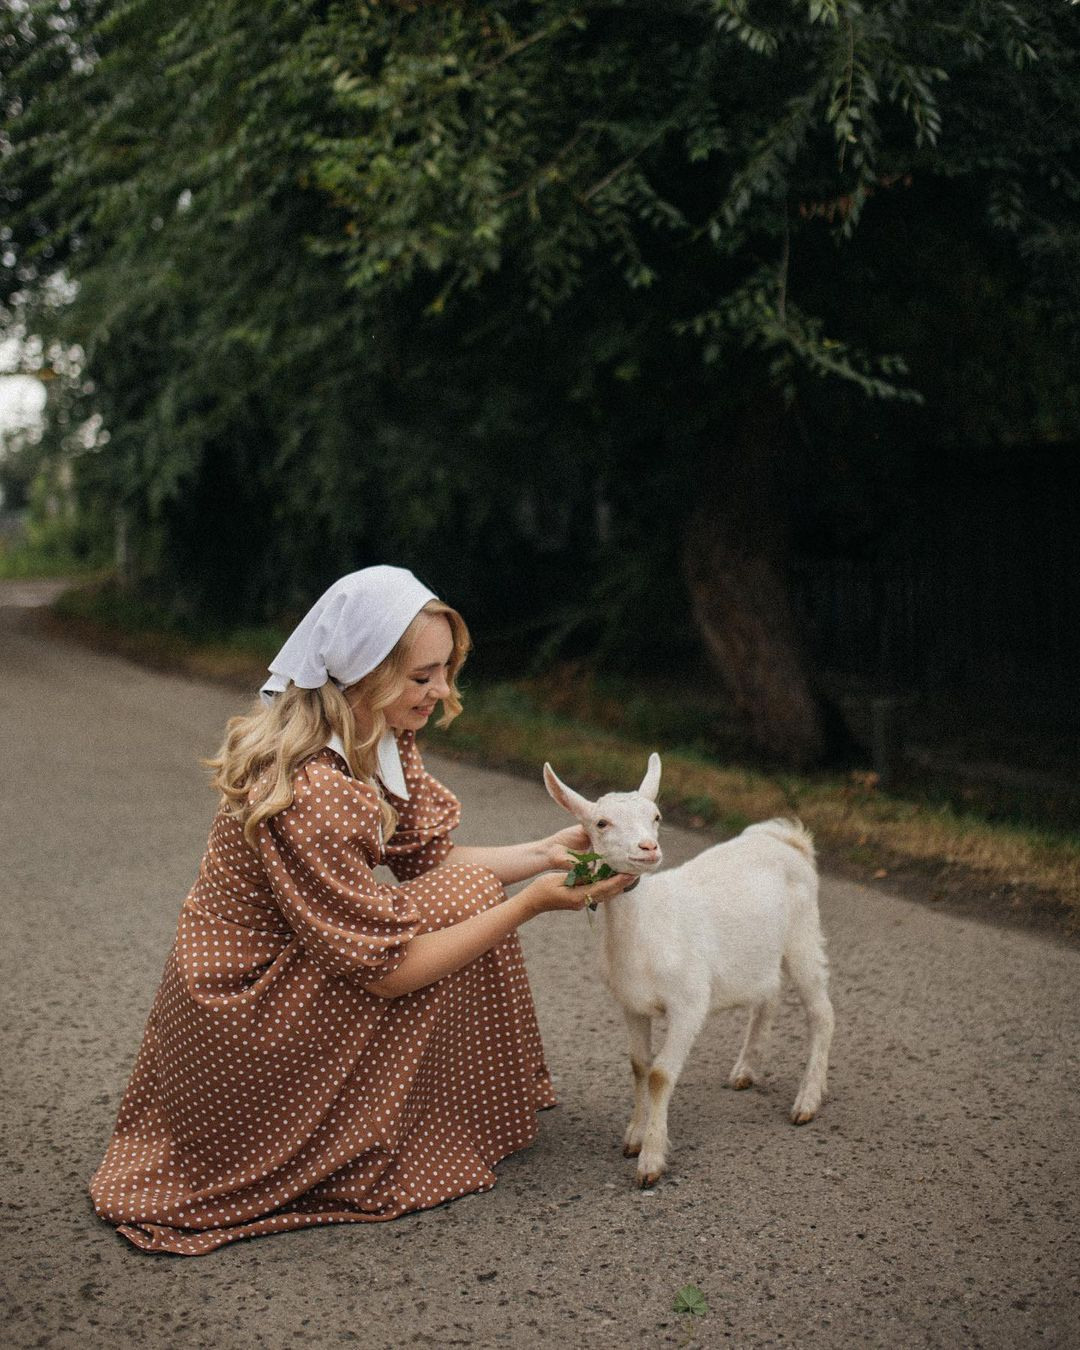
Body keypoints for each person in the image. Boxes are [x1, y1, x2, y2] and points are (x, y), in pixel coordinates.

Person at [89, 565, 631, 1255]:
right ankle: (354, 1128)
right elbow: (389, 970)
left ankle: (441, 1111)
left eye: (444, 670)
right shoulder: (315, 787)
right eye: (422, 676)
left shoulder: (373, 735)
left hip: (271, 977)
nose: (442, 691)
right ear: (362, 672)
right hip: (242, 1010)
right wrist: (528, 906)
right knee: (465, 905)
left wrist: (544, 853)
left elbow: (427, 861)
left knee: (460, 894)